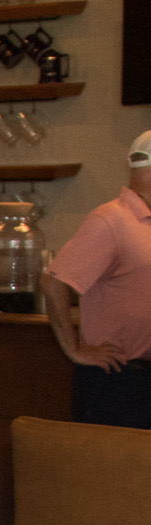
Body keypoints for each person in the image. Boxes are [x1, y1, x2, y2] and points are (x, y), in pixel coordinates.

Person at [41, 130, 151, 428]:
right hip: (119, 377)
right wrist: (74, 348)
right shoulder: (110, 220)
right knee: (114, 471)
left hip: (141, 377)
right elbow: (53, 283)